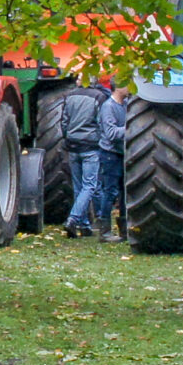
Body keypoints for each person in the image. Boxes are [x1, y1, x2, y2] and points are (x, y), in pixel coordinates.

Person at [57, 75, 108, 236]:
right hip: (91, 148)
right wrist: (100, 140)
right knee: (90, 186)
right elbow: (101, 122)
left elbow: (63, 122)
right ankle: (73, 219)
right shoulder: (99, 97)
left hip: (73, 146)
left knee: (78, 187)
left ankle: (84, 225)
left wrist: (68, 137)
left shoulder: (69, 96)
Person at [95, 81, 126, 242]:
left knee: (124, 192)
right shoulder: (108, 107)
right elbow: (111, 133)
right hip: (110, 155)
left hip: (122, 154)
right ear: (118, 87)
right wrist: (133, 127)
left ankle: (125, 230)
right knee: (110, 192)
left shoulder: (125, 105)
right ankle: (105, 232)